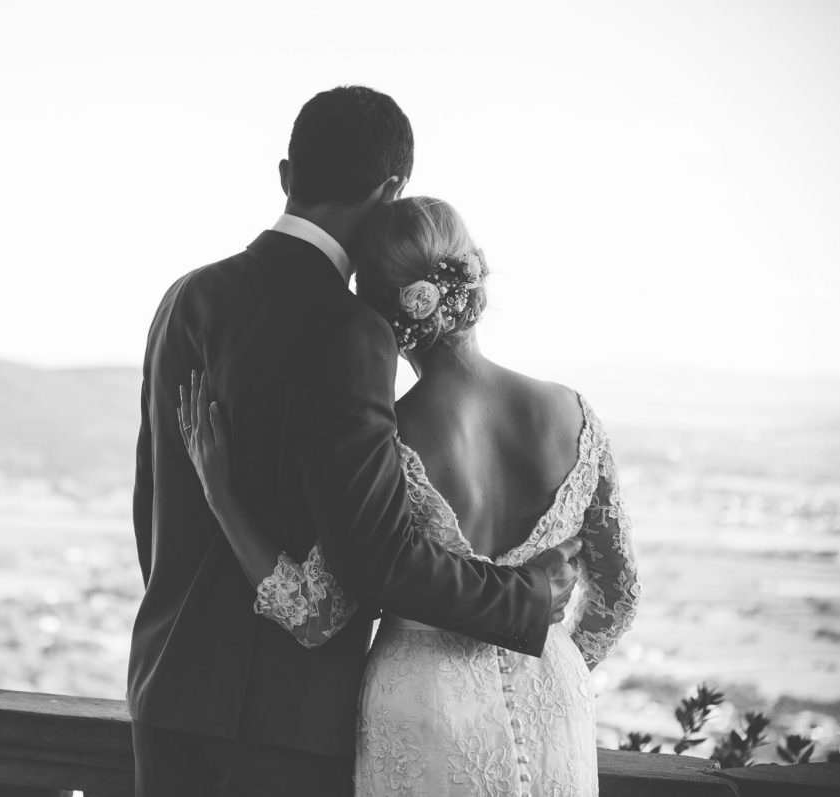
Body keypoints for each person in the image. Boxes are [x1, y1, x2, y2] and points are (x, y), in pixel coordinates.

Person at [127, 85, 581, 797]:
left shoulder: (186, 298)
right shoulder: (349, 330)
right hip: (284, 725)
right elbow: (377, 554)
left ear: (286, 175)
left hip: (168, 691)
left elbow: (152, 506)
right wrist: (524, 595)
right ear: (392, 188)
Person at [179, 196, 641, 796]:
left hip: (426, 708)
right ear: (472, 275)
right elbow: (618, 594)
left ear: (378, 307)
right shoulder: (574, 416)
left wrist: (222, 496)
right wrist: (555, 662)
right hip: (555, 699)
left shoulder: (385, 440)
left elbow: (313, 615)